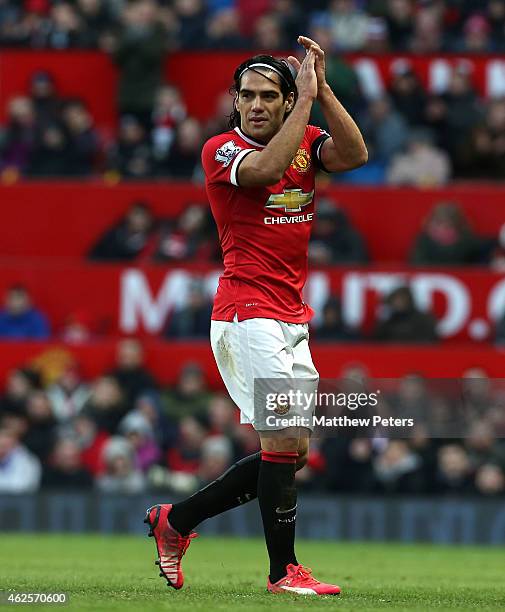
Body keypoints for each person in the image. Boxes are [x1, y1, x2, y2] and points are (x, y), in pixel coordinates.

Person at [144, 36, 367, 596]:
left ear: (287, 100)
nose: (257, 105)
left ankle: (177, 521)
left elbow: (356, 155)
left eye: (270, 95)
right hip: (247, 313)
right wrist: (303, 103)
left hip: (291, 316)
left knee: (293, 452)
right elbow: (266, 172)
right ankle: (282, 572)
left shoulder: (307, 140)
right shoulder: (221, 149)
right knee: (282, 441)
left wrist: (322, 89)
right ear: (235, 101)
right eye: (248, 95)